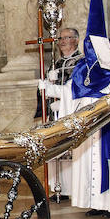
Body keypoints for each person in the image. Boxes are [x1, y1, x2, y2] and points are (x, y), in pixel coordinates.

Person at [41, 0, 110, 218]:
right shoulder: (82, 69)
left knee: (109, 165)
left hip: (109, 124)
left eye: (95, 44)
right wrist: (49, 90)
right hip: (89, 126)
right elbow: (71, 91)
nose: (91, 49)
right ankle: (96, 203)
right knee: (88, 162)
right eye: (88, 44)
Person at [35, 28, 83, 199]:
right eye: (60, 38)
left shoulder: (81, 63)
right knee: (55, 152)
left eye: (67, 38)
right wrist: (48, 82)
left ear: (76, 40)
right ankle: (58, 188)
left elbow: (77, 90)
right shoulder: (55, 64)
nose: (62, 41)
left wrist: (54, 91)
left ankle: (73, 189)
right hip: (54, 115)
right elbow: (44, 91)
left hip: (71, 111)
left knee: (70, 151)